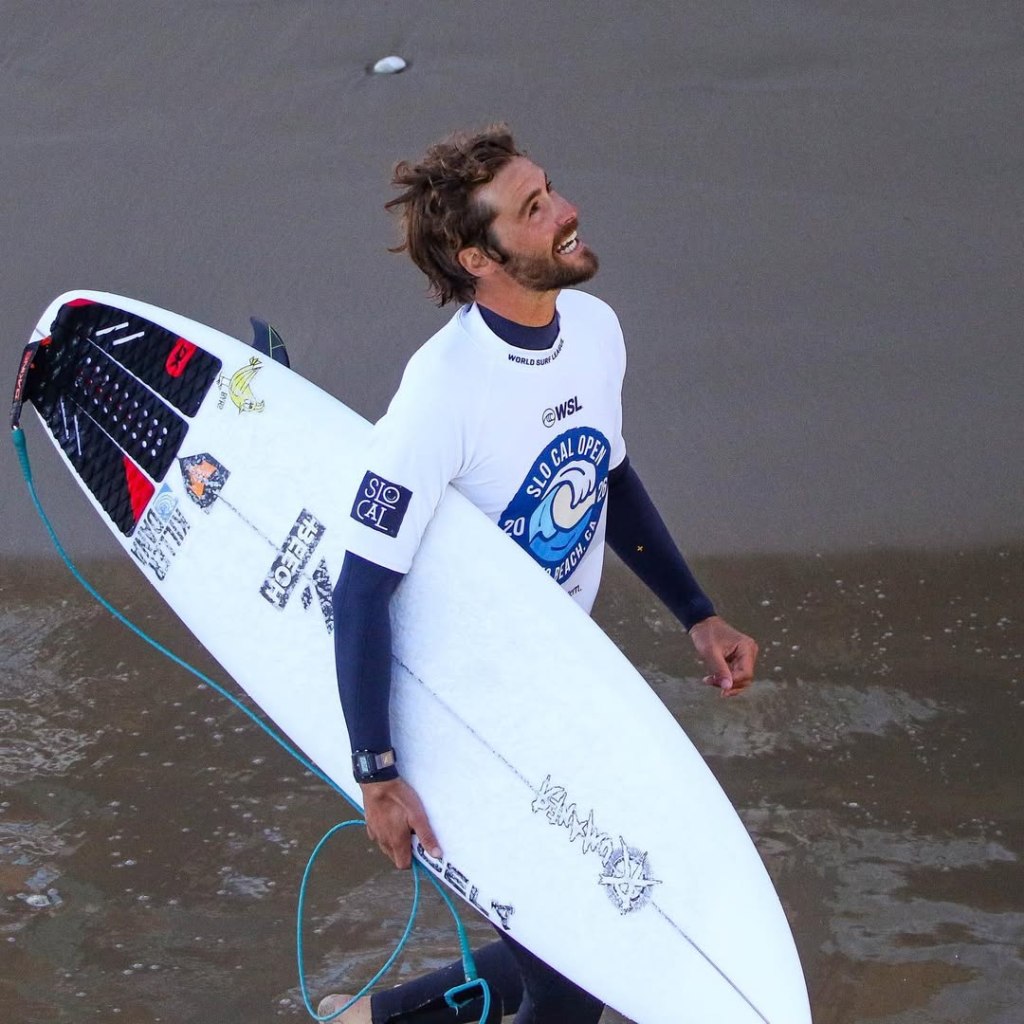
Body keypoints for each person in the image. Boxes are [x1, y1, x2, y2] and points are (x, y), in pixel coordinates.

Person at [322, 125, 758, 1024]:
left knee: (578, 943)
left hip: (558, 683)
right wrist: (378, 775)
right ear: (479, 257)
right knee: (578, 976)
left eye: (551, 189)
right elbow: (361, 586)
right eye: (534, 209)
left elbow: (606, 473)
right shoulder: (441, 393)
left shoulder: (594, 331)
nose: (566, 211)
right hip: (466, 718)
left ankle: (368, 1019)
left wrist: (697, 613)